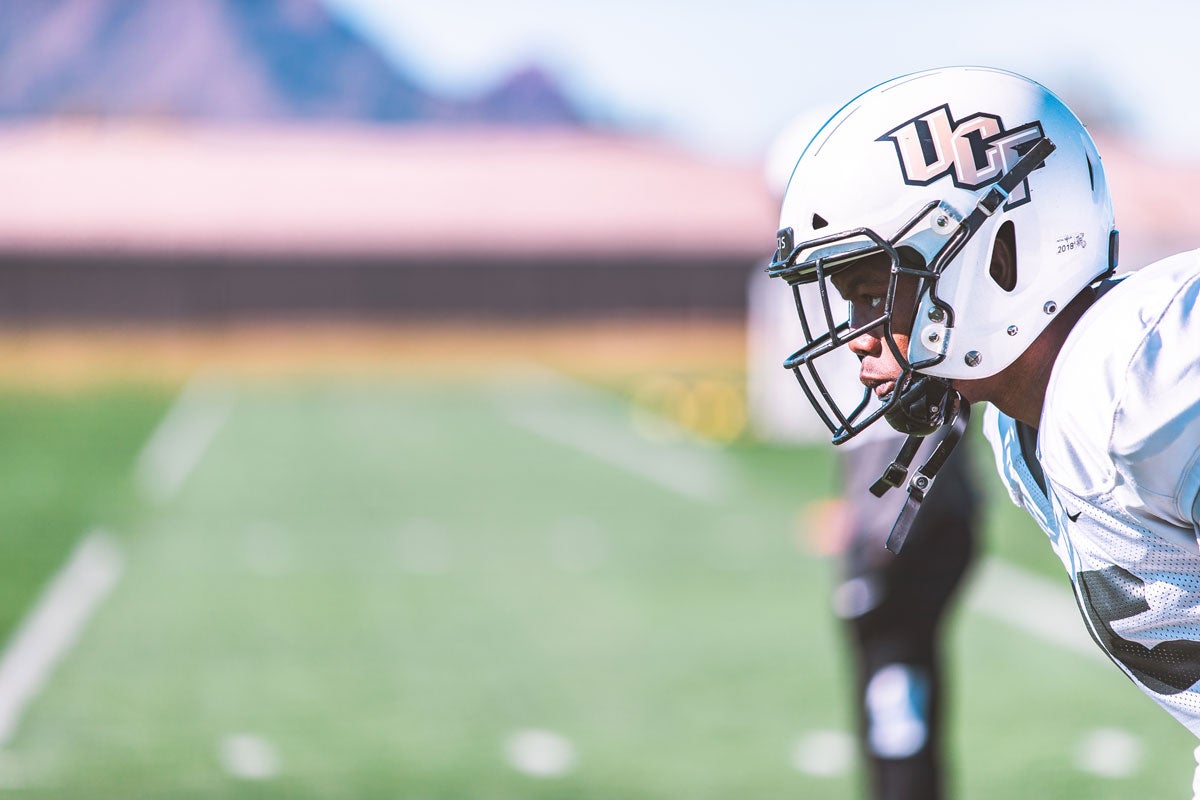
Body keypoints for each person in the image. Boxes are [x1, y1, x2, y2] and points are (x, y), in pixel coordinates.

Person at [766, 65, 1200, 794]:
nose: (856, 337)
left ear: (1000, 256)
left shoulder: (1151, 374)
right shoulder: (1026, 430)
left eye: (876, 292)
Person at [750, 113, 983, 800]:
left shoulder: (907, 301)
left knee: (895, 685)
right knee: (897, 687)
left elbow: (911, 432)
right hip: (912, 518)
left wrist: (866, 526)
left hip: (908, 527)